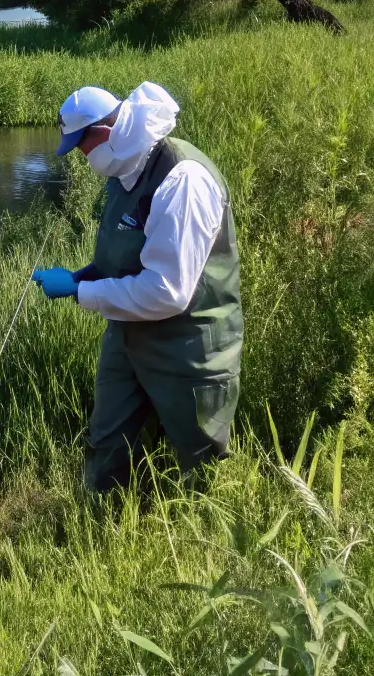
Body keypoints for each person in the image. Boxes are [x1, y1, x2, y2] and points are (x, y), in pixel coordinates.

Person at [32, 82, 242, 492]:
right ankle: (103, 517)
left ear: (106, 133)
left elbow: (167, 291)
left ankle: (202, 537)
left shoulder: (182, 180)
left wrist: (80, 293)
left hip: (189, 345)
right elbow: (126, 255)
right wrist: (82, 275)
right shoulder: (124, 170)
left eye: (81, 146)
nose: (81, 157)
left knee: (200, 459)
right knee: (108, 436)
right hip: (129, 333)